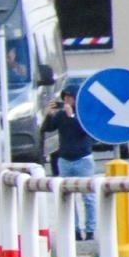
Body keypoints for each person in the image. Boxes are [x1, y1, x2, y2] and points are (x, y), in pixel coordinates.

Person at [43, 84, 96, 239]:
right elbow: (47, 129)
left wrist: (72, 116)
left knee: (88, 197)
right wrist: (49, 115)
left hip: (83, 160)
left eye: (70, 97)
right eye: (65, 97)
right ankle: (75, 230)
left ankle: (90, 229)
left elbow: (84, 132)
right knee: (67, 197)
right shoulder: (61, 116)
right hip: (65, 160)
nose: (67, 100)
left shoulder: (84, 114)